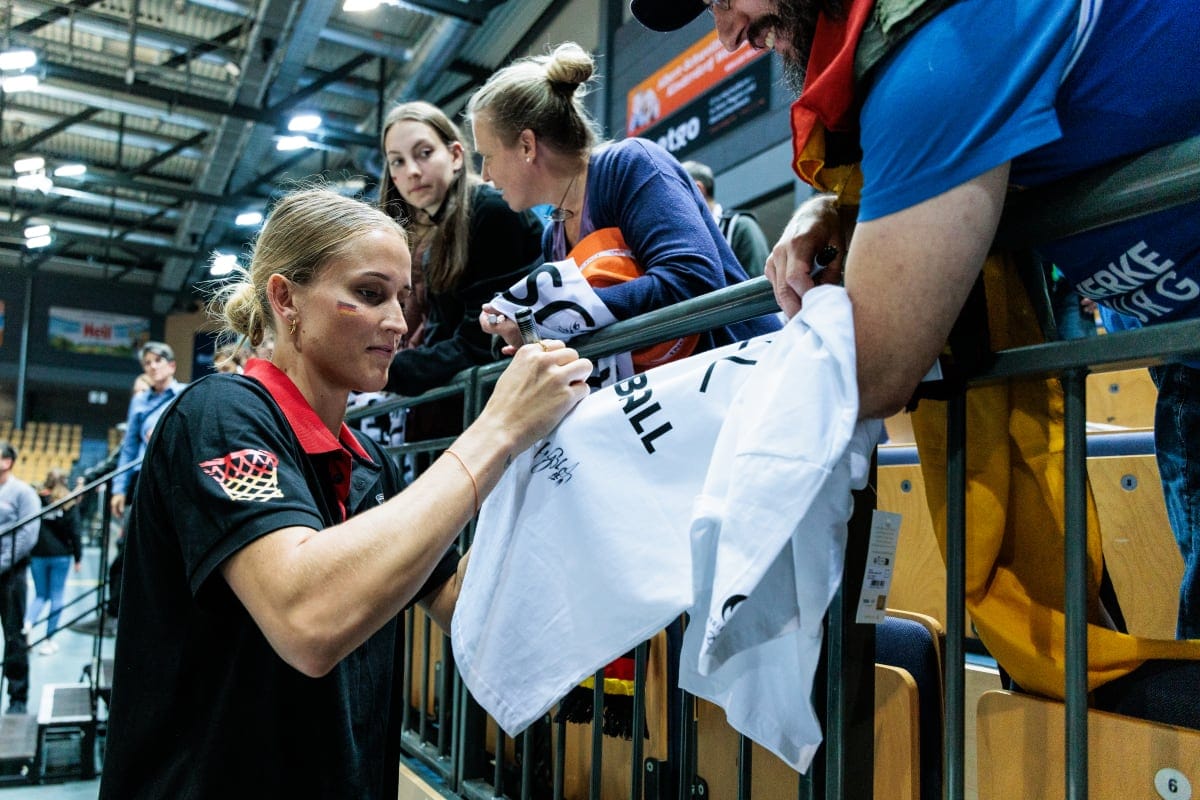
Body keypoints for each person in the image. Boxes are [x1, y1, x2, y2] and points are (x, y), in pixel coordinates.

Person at [631, 0, 1200, 639]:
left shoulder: (943, 44)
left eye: (720, 0)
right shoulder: (921, 53)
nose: (728, 34)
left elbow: (876, 370)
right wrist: (840, 207)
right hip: (1181, 354)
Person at [97, 187, 591, 798]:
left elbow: (466, 601)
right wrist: (496, 429)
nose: (400, 323)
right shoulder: (219, 417)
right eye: (369, 293)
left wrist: (552, 450)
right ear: (285, 299)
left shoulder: (370, 467)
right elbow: (308, 619)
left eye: (403, 298)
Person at [468, 43, 780, 357]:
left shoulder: (630, 164)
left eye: (488, 156)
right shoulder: (554, 234)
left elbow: (692, 279)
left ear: (527, 146)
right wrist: (528, 330)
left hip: (744, 371)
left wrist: (558, 314)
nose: (485, 175)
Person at [379, 101, 545, 401]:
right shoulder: (439, 239)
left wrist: (380, 368)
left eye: (424, 153)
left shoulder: (490, 210)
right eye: (398, 161)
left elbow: (479, 343)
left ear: (456, 155)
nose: (413, 171)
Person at [105, 341, 185, 622]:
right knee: (133, 548)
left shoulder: (184, 395)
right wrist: (118, 489)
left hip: (173, 479)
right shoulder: (140, 401)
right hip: (141, 478)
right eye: (147, 363)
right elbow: (128, 447)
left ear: (171, 365)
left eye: (157, 361)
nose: (152, 367)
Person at [0, 441, 39, 715]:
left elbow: (27, 535)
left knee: (14, 636)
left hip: (10, 576)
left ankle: (17, 698)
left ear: (7, 462)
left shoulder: (23, 493)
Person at [682, 160, 771, 278]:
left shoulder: (740, 227)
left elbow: (761, 289)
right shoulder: (686, 243)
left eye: (676, 195)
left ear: (698, 190)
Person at [27, 468, 83, 655]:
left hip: (38, 554)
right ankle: (48, 641)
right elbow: (75, 532)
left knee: (40, 595)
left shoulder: (37, 500)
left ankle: (27, 627)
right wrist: (78, 557)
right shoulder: (68, 503)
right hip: (60, 556)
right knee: (57, 596)